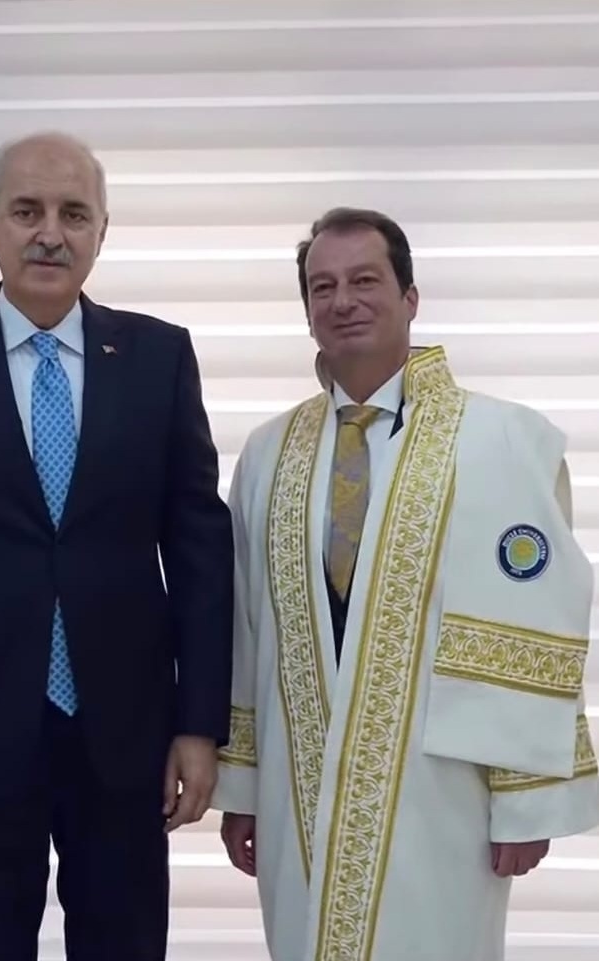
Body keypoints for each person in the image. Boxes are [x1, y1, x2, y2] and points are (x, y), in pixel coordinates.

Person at [0, 132, 234, 961]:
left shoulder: (158, 356)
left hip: (127, 737)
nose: (50, 234)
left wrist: (200, 724)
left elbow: (200, 552)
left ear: (102, 231)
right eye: (27, 211)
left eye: (74, 214)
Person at [213, 207, 599, 961]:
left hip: (442, 790)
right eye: (323, 286)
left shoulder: (499, 440)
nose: (343, 301)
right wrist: (244, 787)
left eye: (365, 280)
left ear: (410, 296)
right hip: (299, 785)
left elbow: (533, 616)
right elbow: (246, 627)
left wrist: (524, 797)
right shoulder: (267, 453)